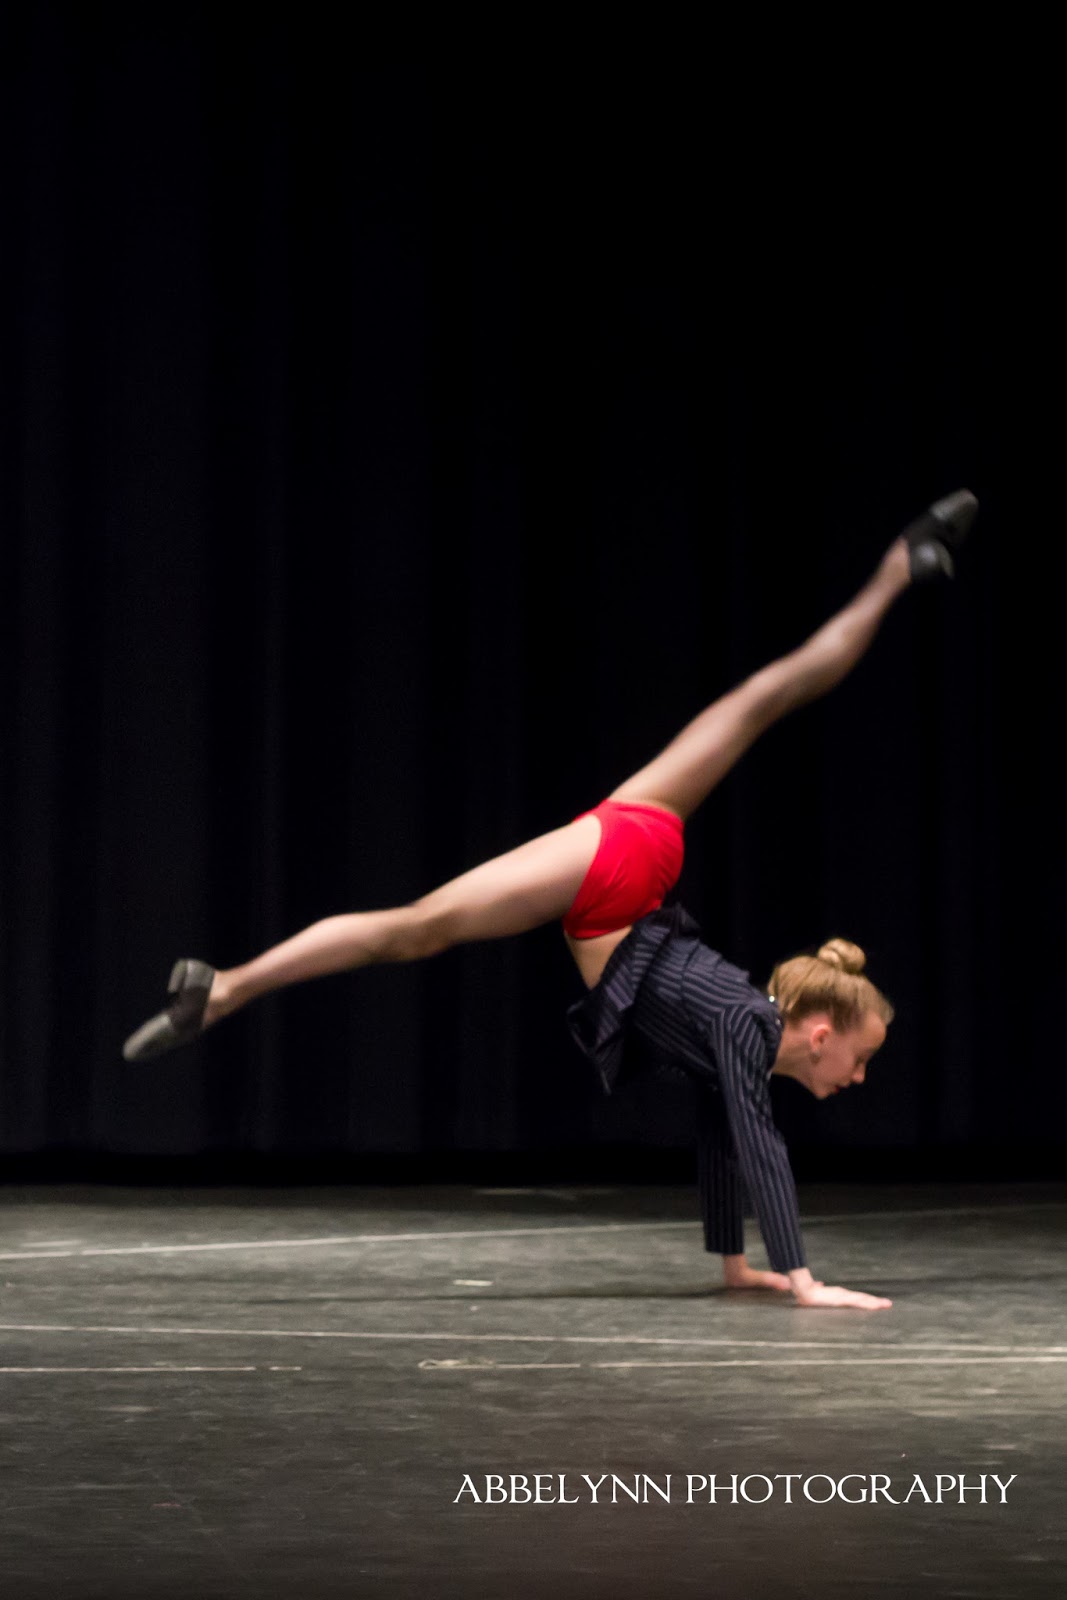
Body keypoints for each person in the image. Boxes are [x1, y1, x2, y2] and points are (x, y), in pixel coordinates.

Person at [123, 490, 978, 1311]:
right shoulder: (745, 1025)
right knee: (416, 928)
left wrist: (738, 1267)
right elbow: (760, 1144)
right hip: (616, 882)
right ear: (819, 1032)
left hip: (639, 846)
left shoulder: (744, 1040)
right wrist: (803, 1280)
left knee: (764, 697)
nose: (859, 1077)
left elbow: (727, 1131)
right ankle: (225, 988)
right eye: (860, 1058)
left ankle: (898, 565)